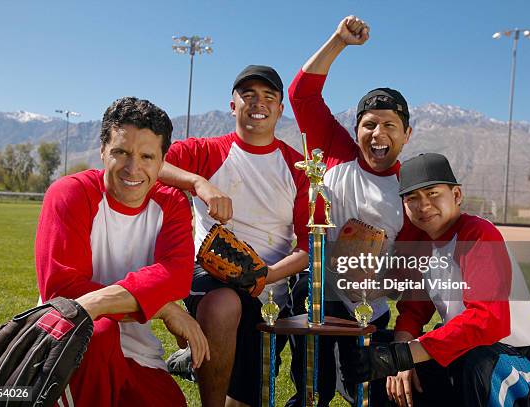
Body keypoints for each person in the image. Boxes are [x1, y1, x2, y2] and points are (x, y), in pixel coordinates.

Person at [344, 153, 530, 407]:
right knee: (376, 349)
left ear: (456, 196)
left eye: (433, 193)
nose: (423, 205)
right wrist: (399, 358)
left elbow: (488, 321)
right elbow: (414, 312)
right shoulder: (423, 246)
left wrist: (405, 354)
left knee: (479, 363)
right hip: (467, 354)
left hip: (526, 364)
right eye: (412, 198)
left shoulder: (479, 233)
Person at [35, 96, 209, 406]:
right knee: (98, 331)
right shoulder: (70, 193)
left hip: (137, 351)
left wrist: (127, 297)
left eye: (146, 156)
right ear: (102, 150)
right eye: (121, 152)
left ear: (162, 160)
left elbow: (176, 276)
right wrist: (162, 307)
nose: (133, 168)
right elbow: (63, 291)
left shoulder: (171, 204)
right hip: (70, 346)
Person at [159, 65, 310, 407]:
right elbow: (154, 164)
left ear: (280, 108)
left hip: (267, 293)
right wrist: (199, 182)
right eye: (249, 95)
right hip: (211, 277)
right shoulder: (207, 151)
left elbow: (309, 246)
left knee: (240, 400)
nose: (259, 102)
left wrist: (268, 275)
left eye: (269, 96)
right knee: (224, 303)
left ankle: (197, 354)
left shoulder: (297, 167)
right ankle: (202, 345)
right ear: (233, 105)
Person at [286, 15, 413, 405]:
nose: (379, 134)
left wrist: (381, 278)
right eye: (369, 124)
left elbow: (413, 265)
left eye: (390, 125)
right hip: (319, 296)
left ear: (407, 134)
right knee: (314, 391)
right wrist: (339, 41)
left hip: (369, 309)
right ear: (356, 130)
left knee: (371, 395)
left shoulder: (412, 191)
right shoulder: (337, 151)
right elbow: (301, 95)